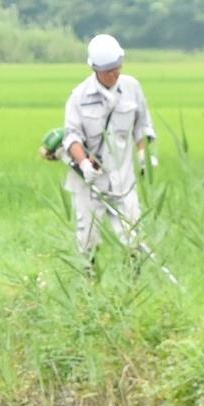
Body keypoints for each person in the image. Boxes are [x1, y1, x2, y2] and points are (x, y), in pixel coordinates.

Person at [59, 33, 156, 257]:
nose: (115, 73)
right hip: (89, 182)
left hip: (123, 181)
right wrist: (83, 163)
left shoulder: (132, 88)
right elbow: (71, 136)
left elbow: (142, 126)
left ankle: (133, 284)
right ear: (95, 69)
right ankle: (90, 283)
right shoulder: (79, 96)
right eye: (108, 70)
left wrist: (142, 155)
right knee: (88, 239)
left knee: (134, 237)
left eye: (117, 67)